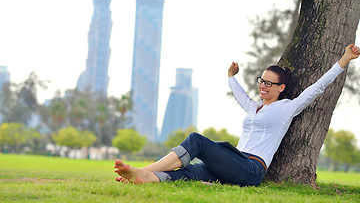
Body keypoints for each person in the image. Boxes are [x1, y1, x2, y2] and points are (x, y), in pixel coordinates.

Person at [114, 44, 360, 186]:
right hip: (234, 161)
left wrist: (345, 59)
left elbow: (317, 87)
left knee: (197, 140)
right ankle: (146, 178)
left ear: (281, 88)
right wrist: (231, 76)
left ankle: (143, 169)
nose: (263, 86)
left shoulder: (287, 107)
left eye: (269, 83)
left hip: (251, 169)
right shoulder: (254, 107)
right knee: (192, 171)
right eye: (261, 81)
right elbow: (239, 94)